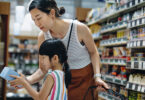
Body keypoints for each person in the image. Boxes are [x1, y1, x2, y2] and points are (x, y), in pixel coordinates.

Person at [10, 0, 109, 99]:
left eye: (38, 18)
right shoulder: (42, 37)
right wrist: (26, 80)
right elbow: (42, 69)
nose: (37, 23)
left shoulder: (79, 28)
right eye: (34, 20)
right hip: (61, 82)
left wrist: (97, 76)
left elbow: (94, 52)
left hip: (84, 80)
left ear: (52, 13)